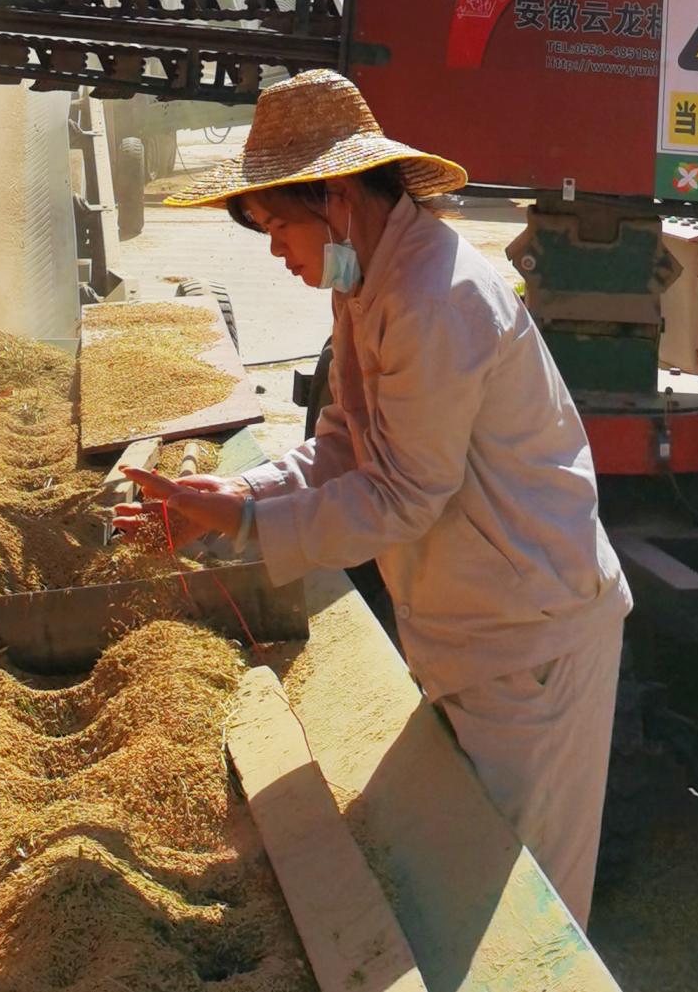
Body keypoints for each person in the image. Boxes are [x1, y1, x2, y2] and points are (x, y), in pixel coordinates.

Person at [116, 69, 631, 926]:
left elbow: (400, 495)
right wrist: (236, 490)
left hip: (529, 643)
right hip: (474, 633)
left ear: (338, 196)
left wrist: (249, 523)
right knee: (460, 895)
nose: (278, 250)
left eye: (278, 224)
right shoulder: (373, 285)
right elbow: (350, 447)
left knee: (521, 924)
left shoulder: (435, 298)